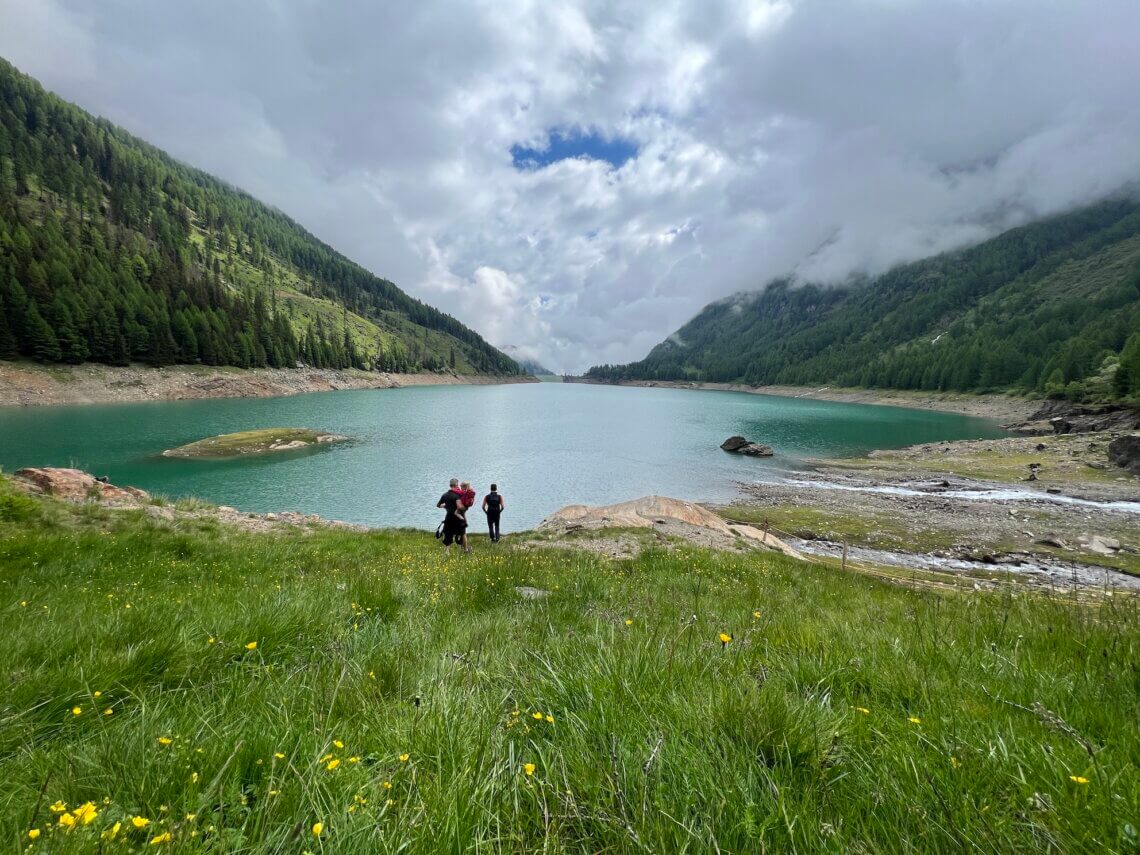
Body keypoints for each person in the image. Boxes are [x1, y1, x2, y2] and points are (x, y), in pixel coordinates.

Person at [436, 478, 465, 551]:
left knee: (448, 534)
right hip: (457, 517)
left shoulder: (445, 495)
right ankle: (463, 549)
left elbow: (438, 505)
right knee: (462, 533)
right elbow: (459, 506)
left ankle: (447, 552)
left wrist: (445, 506)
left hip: (448, 516)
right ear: (456, 485)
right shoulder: (458, 495)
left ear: (450, 485)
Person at [457, 480, 476, 552]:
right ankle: (462, 545)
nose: (460, 487)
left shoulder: (465, 493)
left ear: (465, 487)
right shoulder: (469, 493)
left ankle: (465, 548)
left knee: (462, 532)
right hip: (464, 508)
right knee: (462, 530)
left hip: (462, 508)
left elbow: (461, 500)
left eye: (461, 486)